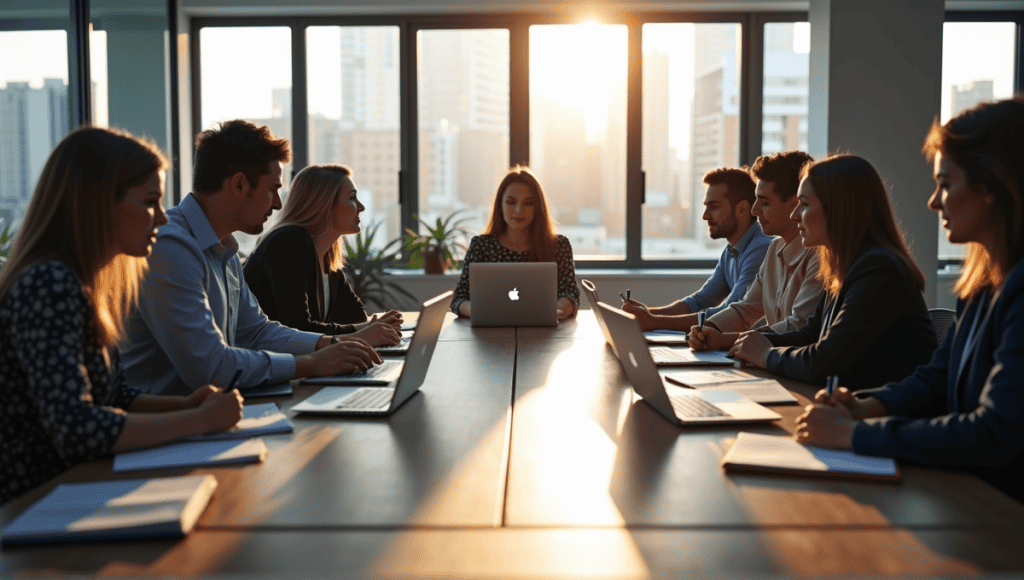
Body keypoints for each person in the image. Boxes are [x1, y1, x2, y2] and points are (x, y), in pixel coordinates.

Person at [796, 97, 1024, 503]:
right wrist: (865, 407)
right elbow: (936, 379)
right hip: (970, 496)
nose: (934, 202)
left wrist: (855, 434)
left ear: (991, 185)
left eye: (946, 184)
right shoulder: (982, 286)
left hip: (1002, 515)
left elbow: (997, 432)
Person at [0, 127, 244, 504]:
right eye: (150, 202)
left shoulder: (81, 284)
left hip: (78, 489)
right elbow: (76, 427)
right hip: (35, 508)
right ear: (97, 204)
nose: (162, 219)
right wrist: (200, 421)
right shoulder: (48, 284)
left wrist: (187, 404)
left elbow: (113, 395)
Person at [122, 120, 381, 396]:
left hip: (211, 414)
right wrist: (311, 364)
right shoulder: (170, 247)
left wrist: (331, 345)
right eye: (273, 189)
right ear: (239, 184)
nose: (279, 203)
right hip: (170, 427)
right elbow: (210, 367)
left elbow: (257, 332)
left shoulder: (224, 249)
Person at [727, 154, 936, 390]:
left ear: (838, 209)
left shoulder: (878, 268)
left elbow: (824, 362)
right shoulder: (846, 266)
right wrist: (749, 343)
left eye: (804, 205)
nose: (795, 215)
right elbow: (809, 335)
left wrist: (766, 355)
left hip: (880, 416)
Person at [243, 164, 402, 346]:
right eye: (352, 198)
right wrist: (365, 330)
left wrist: (373, 327)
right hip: (275, 366)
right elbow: (298, 329)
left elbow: (356, 317)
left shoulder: (325, 255)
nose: (361, 207)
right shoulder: (288, 242)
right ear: (324, 204)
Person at [689, 151, 823, 351]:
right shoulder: (774, 250)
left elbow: (798, 327)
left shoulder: (819, 257)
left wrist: (725, 340)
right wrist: (707, 329)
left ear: (794, 204)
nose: (754, 210)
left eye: (765, 202)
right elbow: (746, 310)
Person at [622, 167, 772, 331]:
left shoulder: (761, 250)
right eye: (706, 206)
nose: (705, 215)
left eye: (713, 206)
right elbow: (699, 301)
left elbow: (729, 315)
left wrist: (655, 321)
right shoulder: (730, 252)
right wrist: (645, 314)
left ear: (742, 209)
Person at [451, 165, 579, 320]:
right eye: (511, 202)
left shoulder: (558, 246)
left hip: (544, 332)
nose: (519, 210)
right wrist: (478, 312)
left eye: (528, 203)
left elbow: (570, 295)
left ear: (537, 208)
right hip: (489, 333)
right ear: (500, 205)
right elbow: (459, 298)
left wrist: (554, 311)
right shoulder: (481, 245)